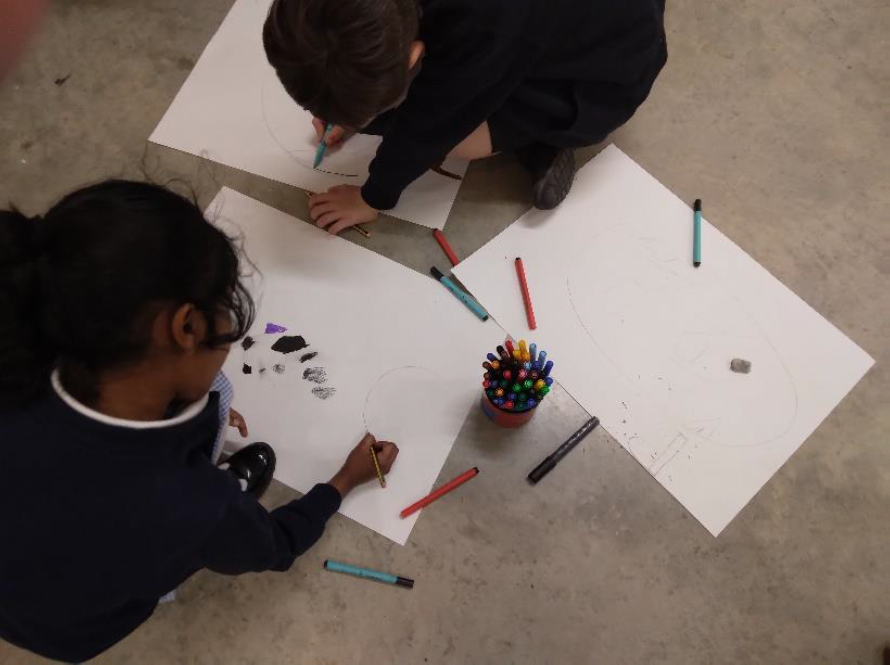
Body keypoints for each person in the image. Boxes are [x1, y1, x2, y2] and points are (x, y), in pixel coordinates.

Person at [0, 180, 399, 663]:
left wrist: (189, 397)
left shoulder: (26, 346)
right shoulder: (191, 505)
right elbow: (274, 547)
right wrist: (342, 482)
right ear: (186, 326)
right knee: (178, 544)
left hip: (20, 590)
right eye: (227, 312)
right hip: (79, 624)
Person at [263, 0, 668, 235]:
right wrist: (352, 98)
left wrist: (372, 197)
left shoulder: (486, 29)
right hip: (556, 23)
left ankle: (542, 140)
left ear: (415, 58)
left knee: (458, 139)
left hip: (602, 71)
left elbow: (431, 124)